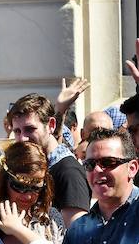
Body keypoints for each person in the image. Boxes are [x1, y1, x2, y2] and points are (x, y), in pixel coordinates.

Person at [8, 93, 90, 228]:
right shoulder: (28, 165)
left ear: (51, 125)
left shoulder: (69, 172)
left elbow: (77, 233)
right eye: (17, 131)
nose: (23, 138)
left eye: (30, 129)